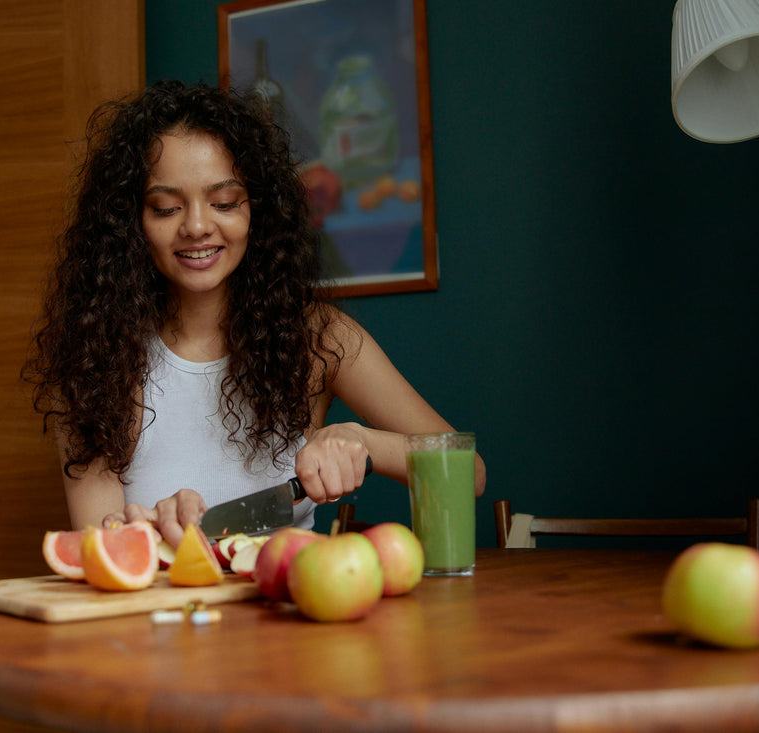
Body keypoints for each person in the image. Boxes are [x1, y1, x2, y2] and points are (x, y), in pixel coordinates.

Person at [24, 80, 485, 547]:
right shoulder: (95, 359)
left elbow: (470, 475)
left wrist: (366, 444)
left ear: (257, 211)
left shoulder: (320, 338)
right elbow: (104, 550)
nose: (198, 226)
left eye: (224, 203)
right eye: (165, 209)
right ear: (131, 224)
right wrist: (151, 535)